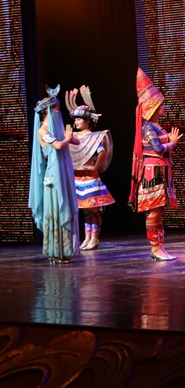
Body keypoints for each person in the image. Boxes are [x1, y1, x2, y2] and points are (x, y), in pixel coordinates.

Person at [130, 69, 182, 261]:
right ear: (153, 107)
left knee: (159, 210)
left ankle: (159, 246)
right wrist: (172, 143)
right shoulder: (148, 128)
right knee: (154, 209)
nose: (164, 107)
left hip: (161, 170)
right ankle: (155, 247)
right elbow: (158, 148)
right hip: (153, 173)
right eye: (161, 105)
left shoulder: (156, 127)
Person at [29, 86, 80, 263]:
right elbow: (58, 146)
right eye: (56, 108)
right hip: (52, 177)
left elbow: (75, 141)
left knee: (65, 208)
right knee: (57, 211)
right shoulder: (43, 131)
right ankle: (55, 251)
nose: (59, 111)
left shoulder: (57, 129)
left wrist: (70, 136)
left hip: (63, 172)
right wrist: (67, 138)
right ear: (48, 111)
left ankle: (65, 250)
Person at [65, 86, 114, 251]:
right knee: (85, 211)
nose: (76, 122)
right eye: (76, 120)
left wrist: (94, 166)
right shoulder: (73, 136)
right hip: (77, 177)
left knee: (93, 210)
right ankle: (87, 238)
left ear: (87, 121)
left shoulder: (94, 137)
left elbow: (102, 152)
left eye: (79, 119)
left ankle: (95, 238)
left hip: (89, 177)